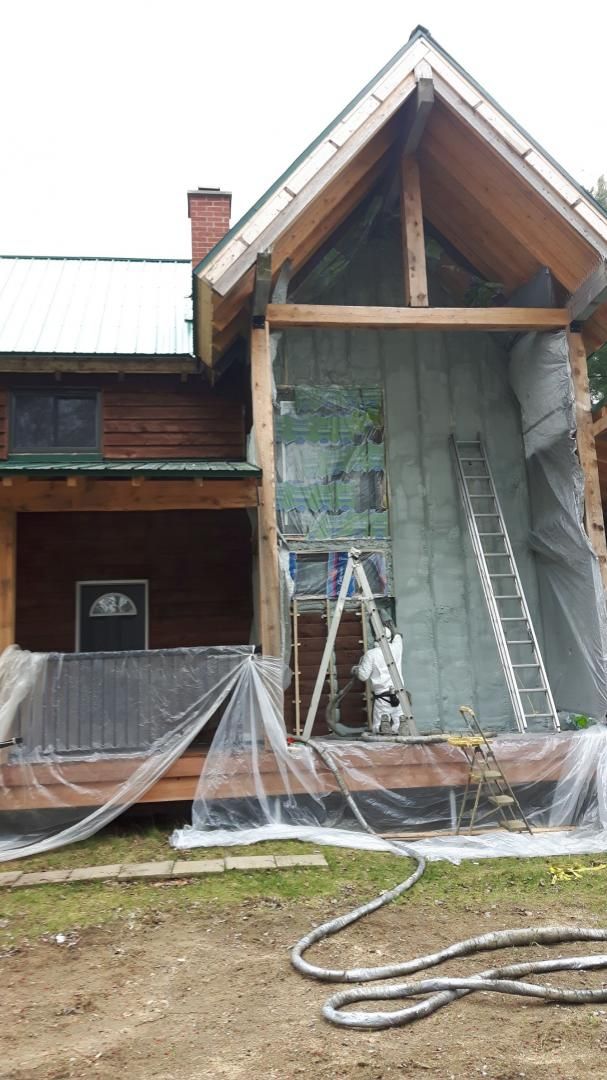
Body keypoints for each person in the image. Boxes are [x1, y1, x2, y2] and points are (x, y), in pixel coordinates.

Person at [352, 620, 405, 735]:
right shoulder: (397, 648)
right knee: (399, 721)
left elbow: (363, 676)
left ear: (376, 639)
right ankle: (401, 726)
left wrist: (356, 670)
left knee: (378, 727)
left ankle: (382, 726)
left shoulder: (371, 654)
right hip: (399, 695)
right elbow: (398, 637)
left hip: (382, 697)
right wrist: (392, 627)